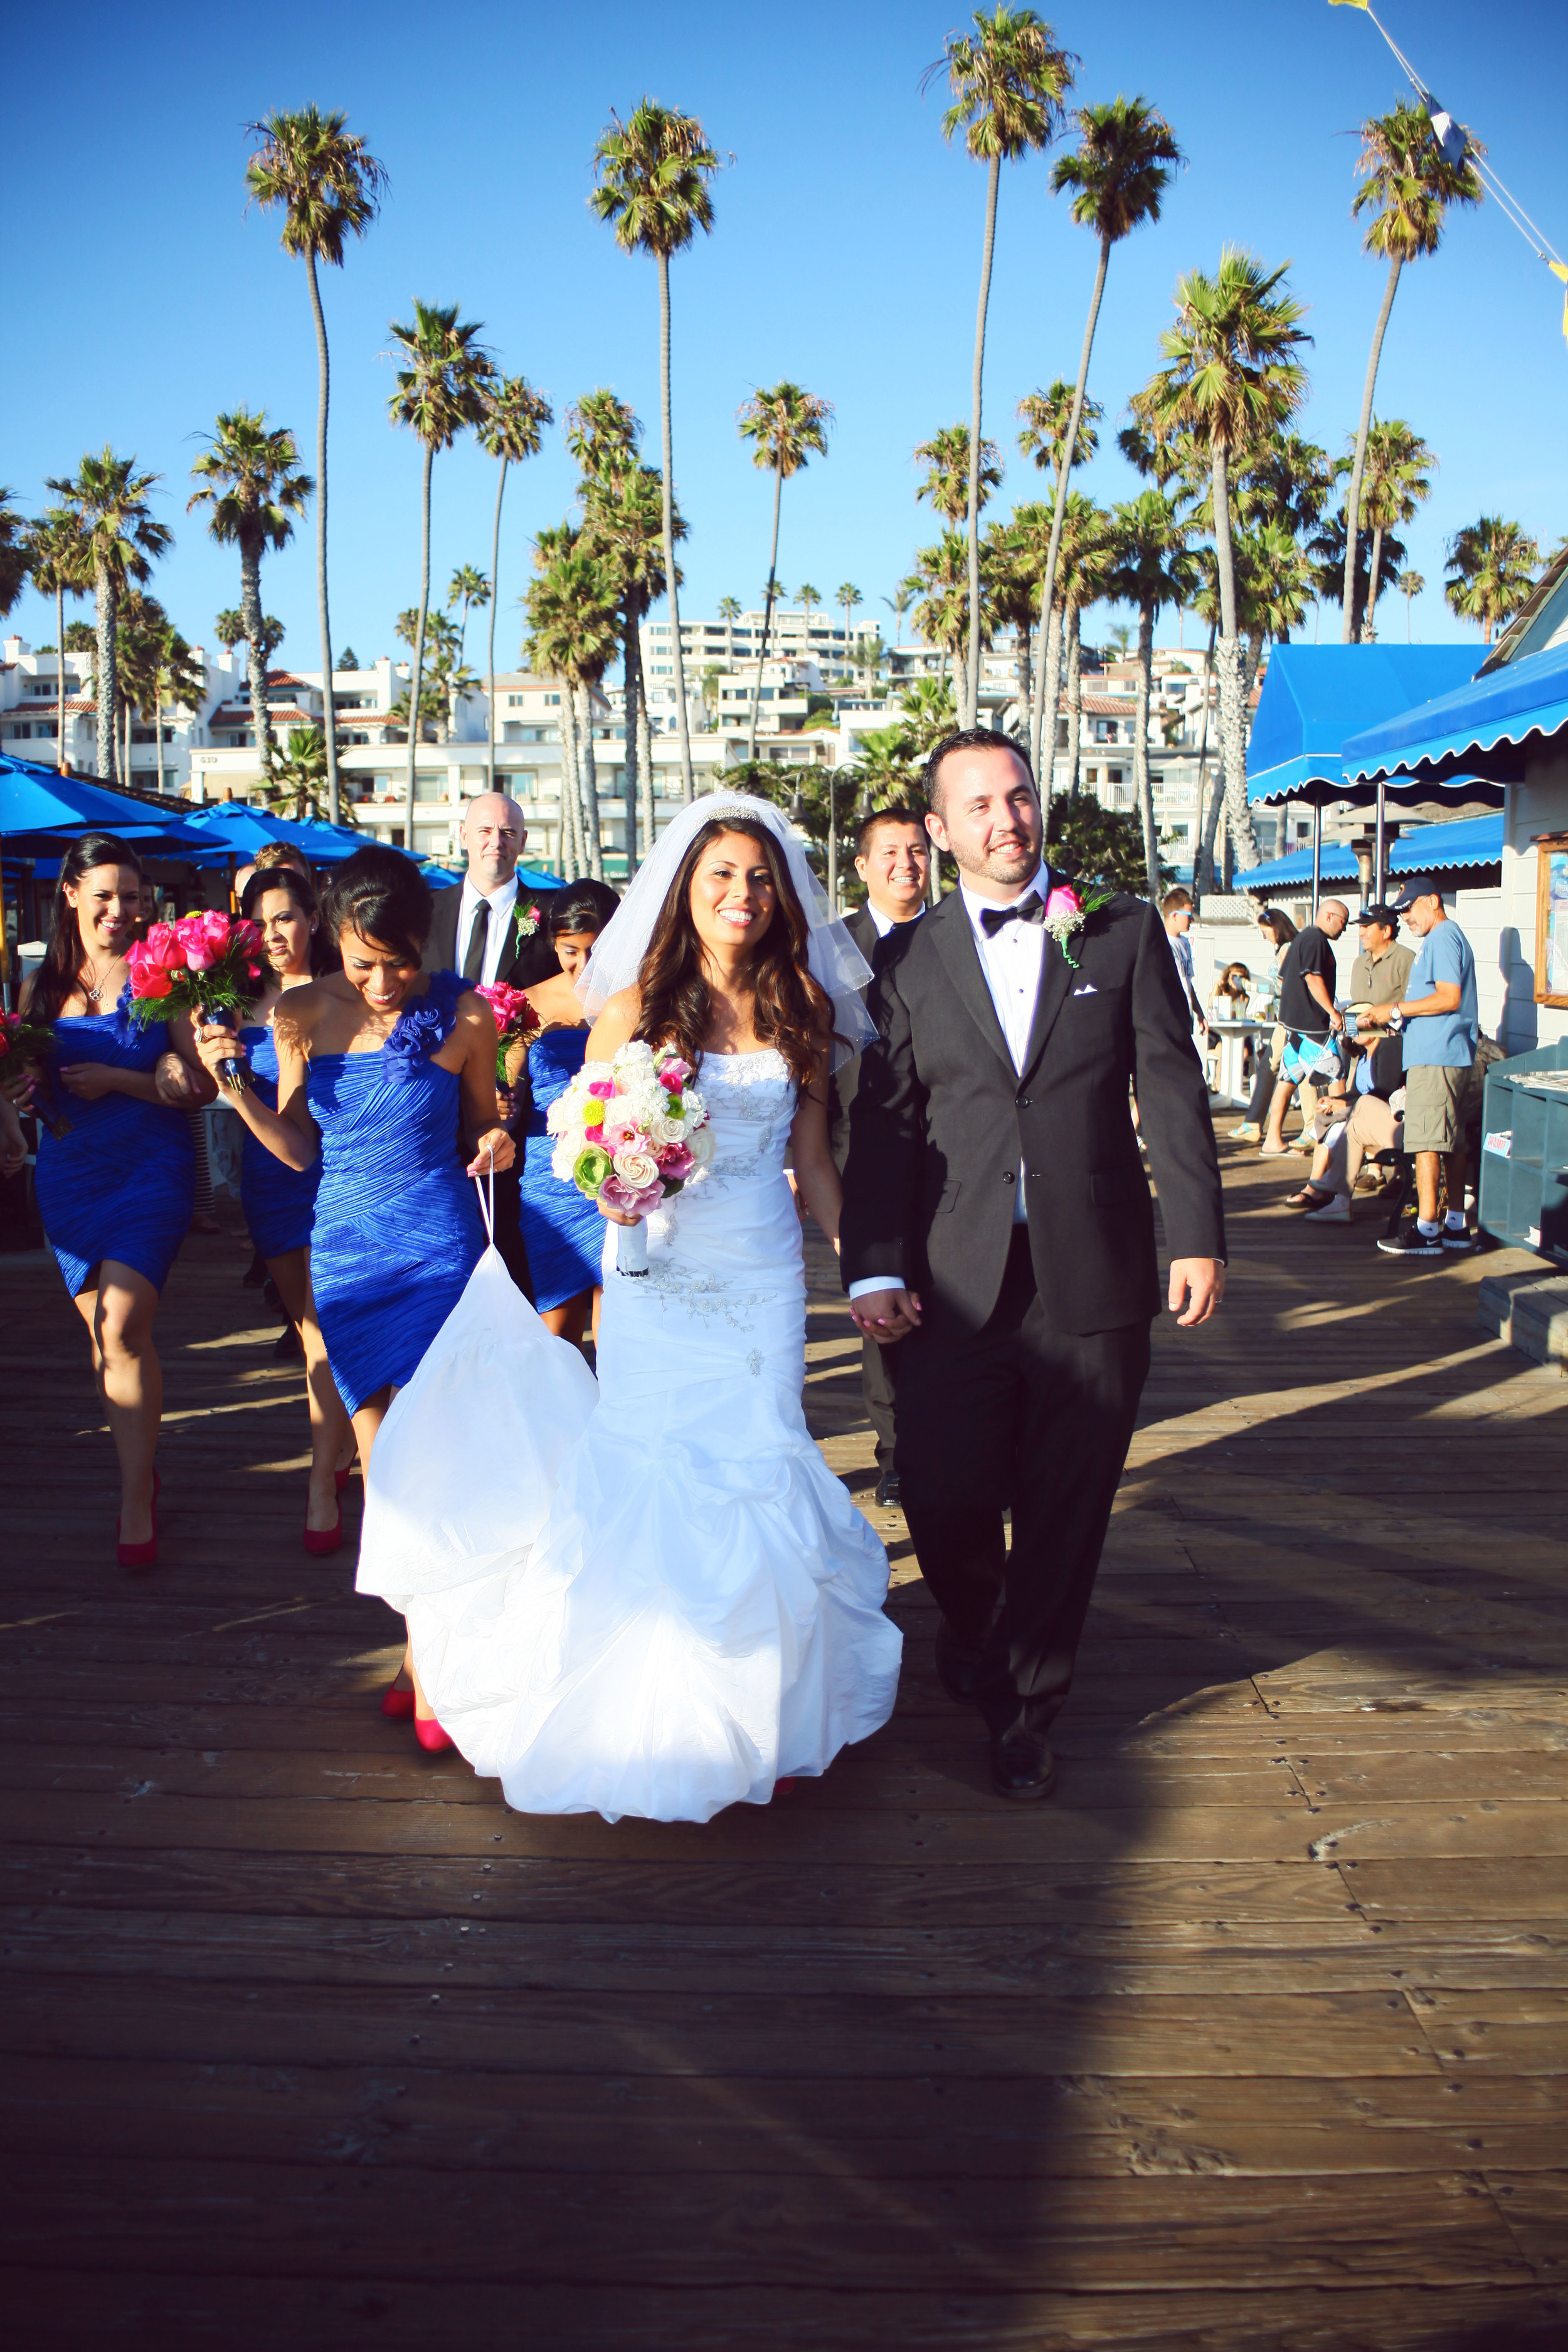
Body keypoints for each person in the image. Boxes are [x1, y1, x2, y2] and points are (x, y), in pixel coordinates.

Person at [357, 793, 902, 1821]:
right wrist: (616, 1181)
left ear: (782, 896)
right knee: (652, 1465)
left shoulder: (803, 1008)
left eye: (757, 879)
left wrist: (863, 1266)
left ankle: (765, 1717)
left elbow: (813, 1162)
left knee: (759, 1461)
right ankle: (655, 1708)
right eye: (719, 878)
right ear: (686, 893)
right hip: (655, 1277)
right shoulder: (634, 1011)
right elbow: (590, 1148)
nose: (740, 896)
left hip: (761, 1277)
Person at [840, 729, 1225, 1802]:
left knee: (1070, 1501)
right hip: (951, 1274)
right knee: (945, 1489)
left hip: (1093, 1270)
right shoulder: (906, 960)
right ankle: (977, 1623)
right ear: (939, 830)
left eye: (1018, 798)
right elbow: (885, 1126)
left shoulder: (1120, 932)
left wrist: (1195, 1233)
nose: (1006, 821)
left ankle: (1026, 1705)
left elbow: (1173, 1086)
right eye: (979, 807)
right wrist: (872, 1262)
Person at [193, 845, 514, 1739]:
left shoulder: (466, 1011)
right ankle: (421, 1649)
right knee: (384, 1474)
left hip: (438, 1245)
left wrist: (498, 1143)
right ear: (335, 941)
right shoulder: (298, 1011)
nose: (381, 981)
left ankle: (433, 1674)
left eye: (399, 959)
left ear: (425, 939)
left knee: (433, 1459)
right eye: (362, 960)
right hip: (345, 1253)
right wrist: (232, 1086)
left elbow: (487, 1122)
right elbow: (298, 1146)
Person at [9, 834, 212, 1565]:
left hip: (150, 1166)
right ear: (71, 896)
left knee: (122, 1325)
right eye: (104, 897)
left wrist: (127, 1078)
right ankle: (141, 1468)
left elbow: (201, 1085)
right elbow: (30, 1081)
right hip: (68, 1173)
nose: (120, 912)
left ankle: (133, 1500)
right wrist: (23, 1096)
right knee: (106, 1338)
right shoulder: (42, 986)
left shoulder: (168, 977)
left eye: (131, 897)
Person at [232, 863, 356, 1550]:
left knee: (322, 1325)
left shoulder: (343, 991)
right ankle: (339, 1449)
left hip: (336, 1168)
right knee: (305, 1322)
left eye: (287, 917)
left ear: (313, 917)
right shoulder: (233, 999)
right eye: (263, 921)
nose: (275, 933)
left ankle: (320, 1479)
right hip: (269, 1176)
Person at [829, 807, 932, 1510]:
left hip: (943, 1149)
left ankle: (946, 1441)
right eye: (889, 852)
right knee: (877, 1302)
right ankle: (895, 1453)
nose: (906, 863)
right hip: (847, 1150)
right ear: (862, 866)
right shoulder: (828, 945)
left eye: (918, 850)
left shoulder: (957, 938)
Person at [424, 793, 560, 1296]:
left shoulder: (547, 919)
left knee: (506, 1244)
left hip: (514, 1113)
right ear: (463, 837)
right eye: (484, 830)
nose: (494, 842)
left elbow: (559, 1013)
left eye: (507, 832)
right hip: (433, 1108)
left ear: (523, 842)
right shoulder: (427, 912)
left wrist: (515, 1085)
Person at [511, 878, 622, 1348]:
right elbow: (507, 1086)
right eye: (569, 950)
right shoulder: (529, 1002)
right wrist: (505, 1103)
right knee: (554, 1335)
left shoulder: (643, 1001)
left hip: (623, 1170)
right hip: (550, 1179)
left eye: (596, 951)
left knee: (618, 1328)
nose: (583, 965)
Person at [1359, 877, 1479, 1258]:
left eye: (1410, 908)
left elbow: (1448, 997)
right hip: (1447, 1054)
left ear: (1433, 901)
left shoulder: (1443, 937)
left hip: (1436, 1057)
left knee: (1426, 1142)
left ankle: (1427, 1229)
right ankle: (1455, 1227)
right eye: (1402, 911)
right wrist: (1394, 1020)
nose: (1405, 917)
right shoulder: (1445, 937)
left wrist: (1393, 1010)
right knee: (1450, 1142)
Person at [1285, 1027, 1406, 1224]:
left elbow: (1384, 1092)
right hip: (1371, 1119)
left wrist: (1345, 1105)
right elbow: (1356, 1092)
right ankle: (1339, 1201)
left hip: (1395, 1122)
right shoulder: (1362, 1055)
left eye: (1363, 1021)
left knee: (1352, 1115)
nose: (1358, 1028)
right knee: (1339, 1119)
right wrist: (1334, 1100)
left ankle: (1325, 1185)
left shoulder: (1390, 1045)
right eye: (1352, 1024)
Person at [1260, 898, 1349, 1157]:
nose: (1344, 929)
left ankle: (1272, 1140)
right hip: (1312, 1027)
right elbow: (1312, 977)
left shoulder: (1300, 940)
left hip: (1293, 1027)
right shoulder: (1315, 939)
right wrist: (1332, 1011)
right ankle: (1342, 1141)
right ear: (1330, 917)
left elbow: (1282, 976)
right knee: (1336, 1076)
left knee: (1287, 1081)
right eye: (1343, 922)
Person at [1231, 908, 1296, 1144]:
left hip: (1289, 1020)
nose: (1264, 936)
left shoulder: (1287, 950)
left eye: (1264, 930)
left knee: (1277, 1069)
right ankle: (1254, 1122)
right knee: (1270, 1068)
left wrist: (1251, 987)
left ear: (1276, 926)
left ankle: (1257, 1123)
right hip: (1286, 1019)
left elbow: (1283, 988)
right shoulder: (1285, 949)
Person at [1162, 888, 1209, 1041]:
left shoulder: (1185, 943)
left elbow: (1187, 982)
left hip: (1185, 1016)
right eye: (1189, 915)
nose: (1192, 920)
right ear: (1174, 915)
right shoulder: (1160, 943)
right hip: (1169, 1017)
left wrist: (1199, 1012)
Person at [1349, 901, 1414, 1012]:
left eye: (1367, 927)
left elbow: (1416, 1005)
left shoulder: (1405, 959)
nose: (1361, 933)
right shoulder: (1359, 963)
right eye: (1360, 927)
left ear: (1386, 931)